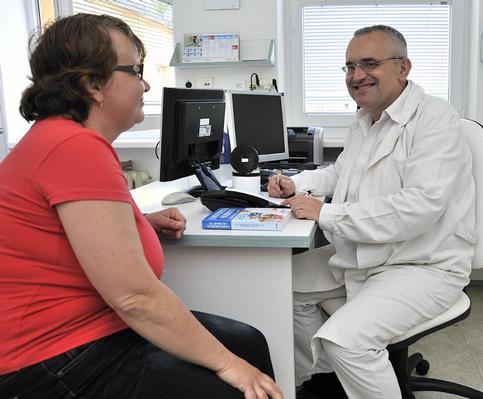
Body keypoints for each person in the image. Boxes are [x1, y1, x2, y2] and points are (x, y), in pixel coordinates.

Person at [0, 14, 282, 399]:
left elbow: (66, 235)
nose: (145, 83)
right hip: (51, 361)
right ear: (92, 84)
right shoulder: (74, 148)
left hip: (90, 333)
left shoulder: (61, 140)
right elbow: (135, 297)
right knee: (234, 378)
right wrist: (230, 367)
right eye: (135, 71)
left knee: (247, 342)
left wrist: (139, 223)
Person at [268, 25, 476, 399]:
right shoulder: (366, 118)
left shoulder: (434, 118)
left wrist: (324, 214)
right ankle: (326, 381)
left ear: (403, 67)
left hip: (423, 264)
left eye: (368, 64)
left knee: (347, 341)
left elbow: (419, 208)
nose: (356, 76)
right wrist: (299, 185)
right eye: (349, 66)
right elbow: (341, 172)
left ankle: (348, 366)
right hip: (366, 251)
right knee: (280, 286)